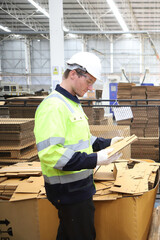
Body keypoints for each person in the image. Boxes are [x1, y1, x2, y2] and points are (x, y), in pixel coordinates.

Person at [34, 52, 123, 240]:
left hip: (79, 188)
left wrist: (108, 144)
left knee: (69, 234)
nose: (91, 88)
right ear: (73, 74)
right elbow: (51, 153)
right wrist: (95, 159)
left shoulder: (72, 103)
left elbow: (84, 140)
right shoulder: (53, 107)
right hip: (67, 191)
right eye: (89, 81)